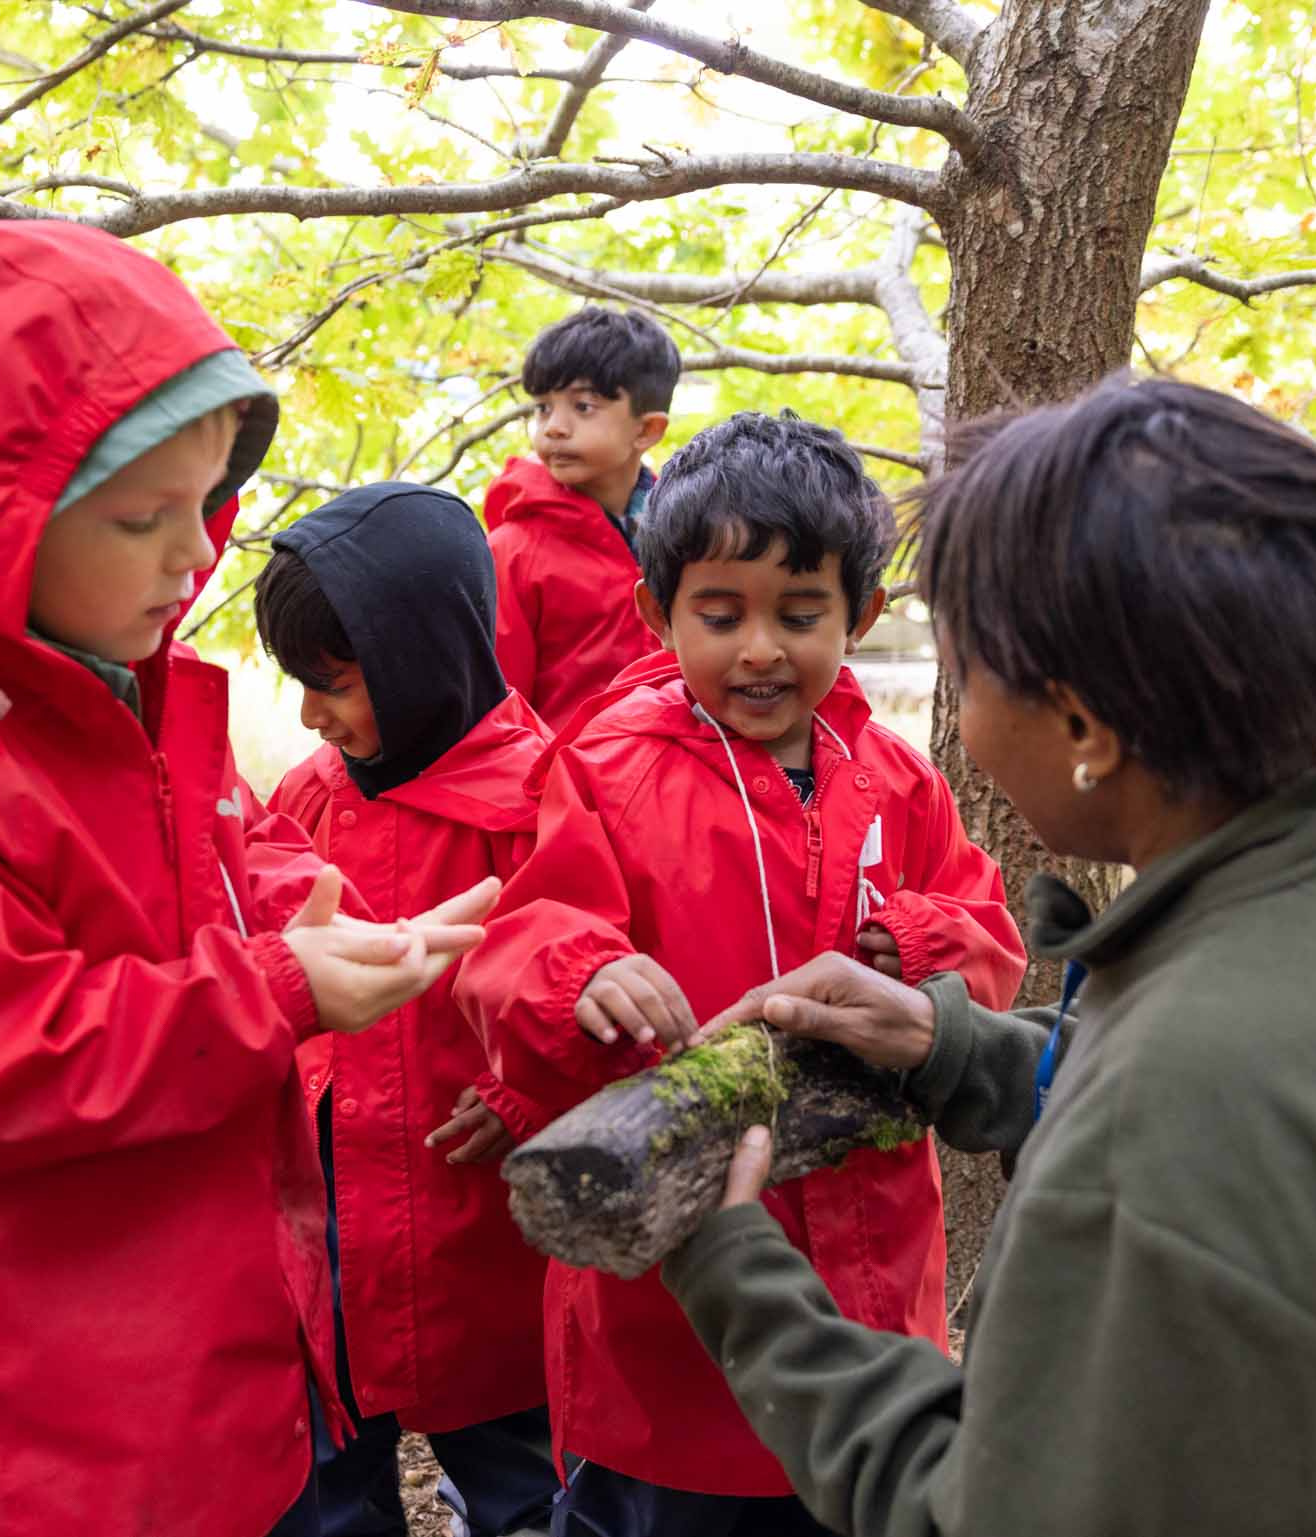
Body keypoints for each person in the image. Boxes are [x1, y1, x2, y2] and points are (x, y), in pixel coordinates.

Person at [663, 376, 1316, 1536]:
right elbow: (1296, 1122)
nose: (960, 716)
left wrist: (735, 1272)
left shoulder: (1171, 1120)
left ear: (1084, 728)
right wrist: (955, 1043)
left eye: (967, 668)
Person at [0, 222, 497, 1537]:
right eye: (140, 519)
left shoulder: (114, 695)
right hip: (50, 1413)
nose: (191, 556)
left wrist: (302, 900)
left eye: (205, 507)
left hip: (214, 1354)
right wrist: (276, 990)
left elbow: (225, 848)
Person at [456, 411, 1028, 1536]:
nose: (759, 648)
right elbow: (515, 945)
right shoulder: (608, 770)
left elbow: (984, 931)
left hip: (870, 1275)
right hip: (666, 1316)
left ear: (858, 615)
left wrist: (914, 949)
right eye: (719, 615)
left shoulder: (895, 781)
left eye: (798, 614)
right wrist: (585, 969)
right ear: (656, 613)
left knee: (855, 1490)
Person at [255, 483, 561, 1537]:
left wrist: (527, 1094)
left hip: (486, 1236)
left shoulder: (540, 807)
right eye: (298, 684)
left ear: (421, 655)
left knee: (520, 1481)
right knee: (330, 1481)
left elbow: (592, 981)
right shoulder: (307, 800)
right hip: (333, 1227)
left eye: (332, 683)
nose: (309, 715)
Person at [484, 305, 678, 727]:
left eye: (583, 406)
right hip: (559, 782)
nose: (554, 427)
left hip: (680, 775)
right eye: (543, 407)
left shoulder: (689, 534)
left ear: (646, 430)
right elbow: (500, 709)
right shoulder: (511, 552)